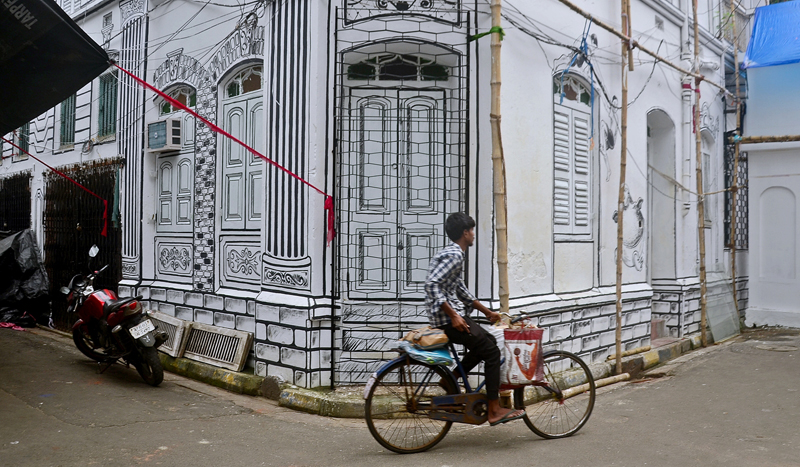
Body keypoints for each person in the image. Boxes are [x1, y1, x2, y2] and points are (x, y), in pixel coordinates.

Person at [424, 212, 525, 426]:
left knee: (487, 342)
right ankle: (494, 409)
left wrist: (487, 312)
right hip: (448, 319)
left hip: (452, 315)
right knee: (492, 352)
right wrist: (453, 316)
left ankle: (450, 379)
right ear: (465, 233)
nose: (473, 235)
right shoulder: (455, 255)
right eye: (472, 231)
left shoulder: (453, 253)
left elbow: (459, 289)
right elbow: (431, 284)